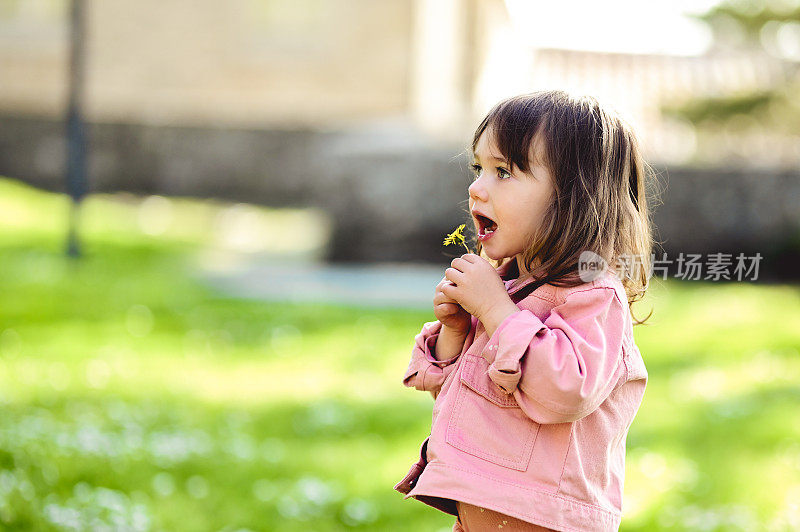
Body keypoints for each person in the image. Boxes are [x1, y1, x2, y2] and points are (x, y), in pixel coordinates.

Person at [393, 90, 656, 531]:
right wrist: (456, 331)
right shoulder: (509, 287)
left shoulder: (592, 295)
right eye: (479, 168)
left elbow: (565, 391)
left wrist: (496, 311)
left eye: (503, 172)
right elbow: (464, 398)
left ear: (575, 196)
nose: (476, 187)